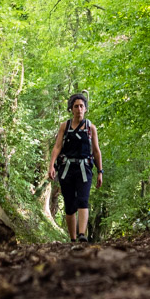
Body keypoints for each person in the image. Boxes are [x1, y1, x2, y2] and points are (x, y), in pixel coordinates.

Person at [47, 92, 102, 242]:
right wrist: (51, 165)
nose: (79, 109)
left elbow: (96, 151)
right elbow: (57, 147)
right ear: (71, 109)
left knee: (83, 200)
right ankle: (72, 239)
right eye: (76, 106)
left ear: (85, 109)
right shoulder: (64, 126)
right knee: (70, 204)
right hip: (66, 169)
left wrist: (100, 171)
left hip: (85, 169)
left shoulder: (91, 128)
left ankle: (82, 235)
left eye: (81, 106)